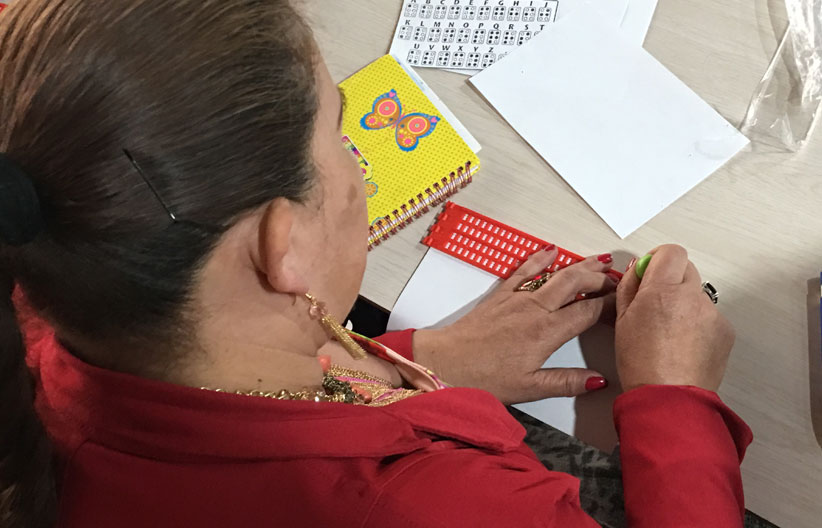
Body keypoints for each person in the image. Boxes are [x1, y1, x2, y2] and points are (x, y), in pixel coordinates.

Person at [0, 1, 752, 527]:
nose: (359, 167)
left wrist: (411, 365)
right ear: (283, 244)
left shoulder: (47, 297)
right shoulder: (432, 509)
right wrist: (676, 398)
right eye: (341, 136)